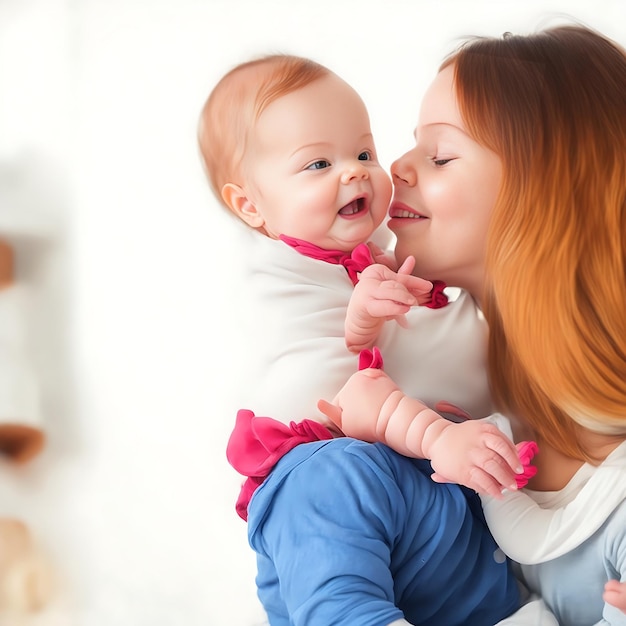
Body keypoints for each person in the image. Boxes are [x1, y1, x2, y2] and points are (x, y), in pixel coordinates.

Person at [198, 55, 524, 625]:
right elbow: (347, 385)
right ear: (250, 205)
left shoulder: (359, 250)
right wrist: (367, 317)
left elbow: (407, 332)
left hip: (413, 507)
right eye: (318, 163)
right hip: (328, 446)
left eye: (364, 153)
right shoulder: (279, 279)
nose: (356, 172)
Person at [321, 24, 626, 626]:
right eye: (412, 146)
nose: (395, 168)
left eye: (439, 155)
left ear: (548, 195)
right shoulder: (461, 410)